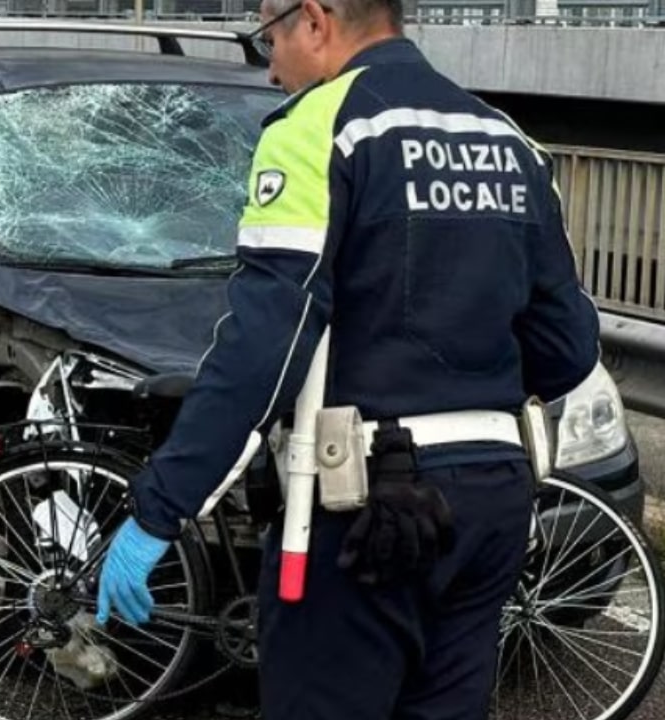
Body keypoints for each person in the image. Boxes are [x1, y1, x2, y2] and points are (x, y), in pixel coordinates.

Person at [95, 0, 602, 717]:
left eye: (267, 37)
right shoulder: (507, 140)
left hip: (360, 510)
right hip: (493, 501)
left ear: (314, 19)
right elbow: (567, 351)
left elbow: (264, 345)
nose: (270, 67)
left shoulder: (320, 128)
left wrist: (160, 509)